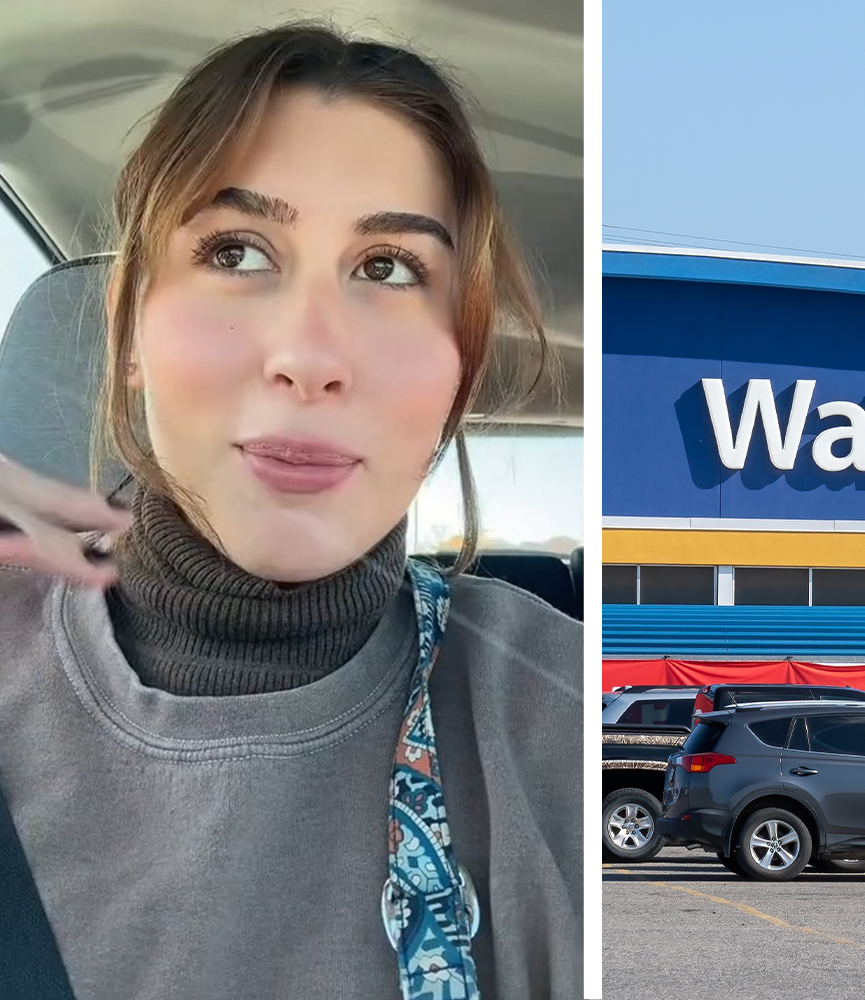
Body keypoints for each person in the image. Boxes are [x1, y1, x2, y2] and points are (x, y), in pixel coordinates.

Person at [0, 23, 581, 999]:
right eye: (236, 250)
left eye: (389, 268)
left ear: (457, 369)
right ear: (133, 326)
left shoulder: (557, 727)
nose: (309, 354)